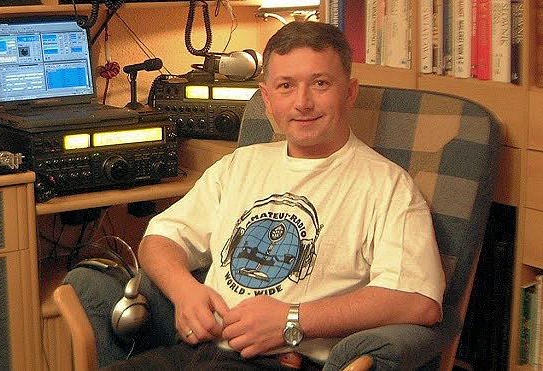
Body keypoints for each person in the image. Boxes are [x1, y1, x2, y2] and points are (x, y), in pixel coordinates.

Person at [65, 21, 445, 370]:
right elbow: (160, 239)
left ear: (349, 93)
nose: (302, 102)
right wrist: (184, 291)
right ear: (267, 99)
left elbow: (418, 301)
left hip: (281, 362)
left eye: (320, 83)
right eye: (286, 86)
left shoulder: (387, 186)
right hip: (196, 354)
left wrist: (292, 320)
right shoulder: (239, 165)